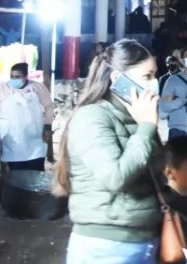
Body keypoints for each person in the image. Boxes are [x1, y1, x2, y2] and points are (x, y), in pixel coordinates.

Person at [54, 39, 163, 263]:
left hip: (144, 239)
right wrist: (146, 129)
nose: (154, 83)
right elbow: (115, 177)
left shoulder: (138, 115)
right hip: (107, 246)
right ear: (117, 80)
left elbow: (157, 171)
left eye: (154, 75)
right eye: (147, 76)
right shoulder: (92, 117)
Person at [0, 62, 54, 171]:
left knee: (35, 177)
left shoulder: (37, 88)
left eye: (17, 77)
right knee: (15, 178)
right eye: (12, 76)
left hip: (35, 144)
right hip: (13, 146)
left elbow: (49, 106)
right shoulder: (2, 89)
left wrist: (48, 126)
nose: (13, 79)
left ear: (26, 76)